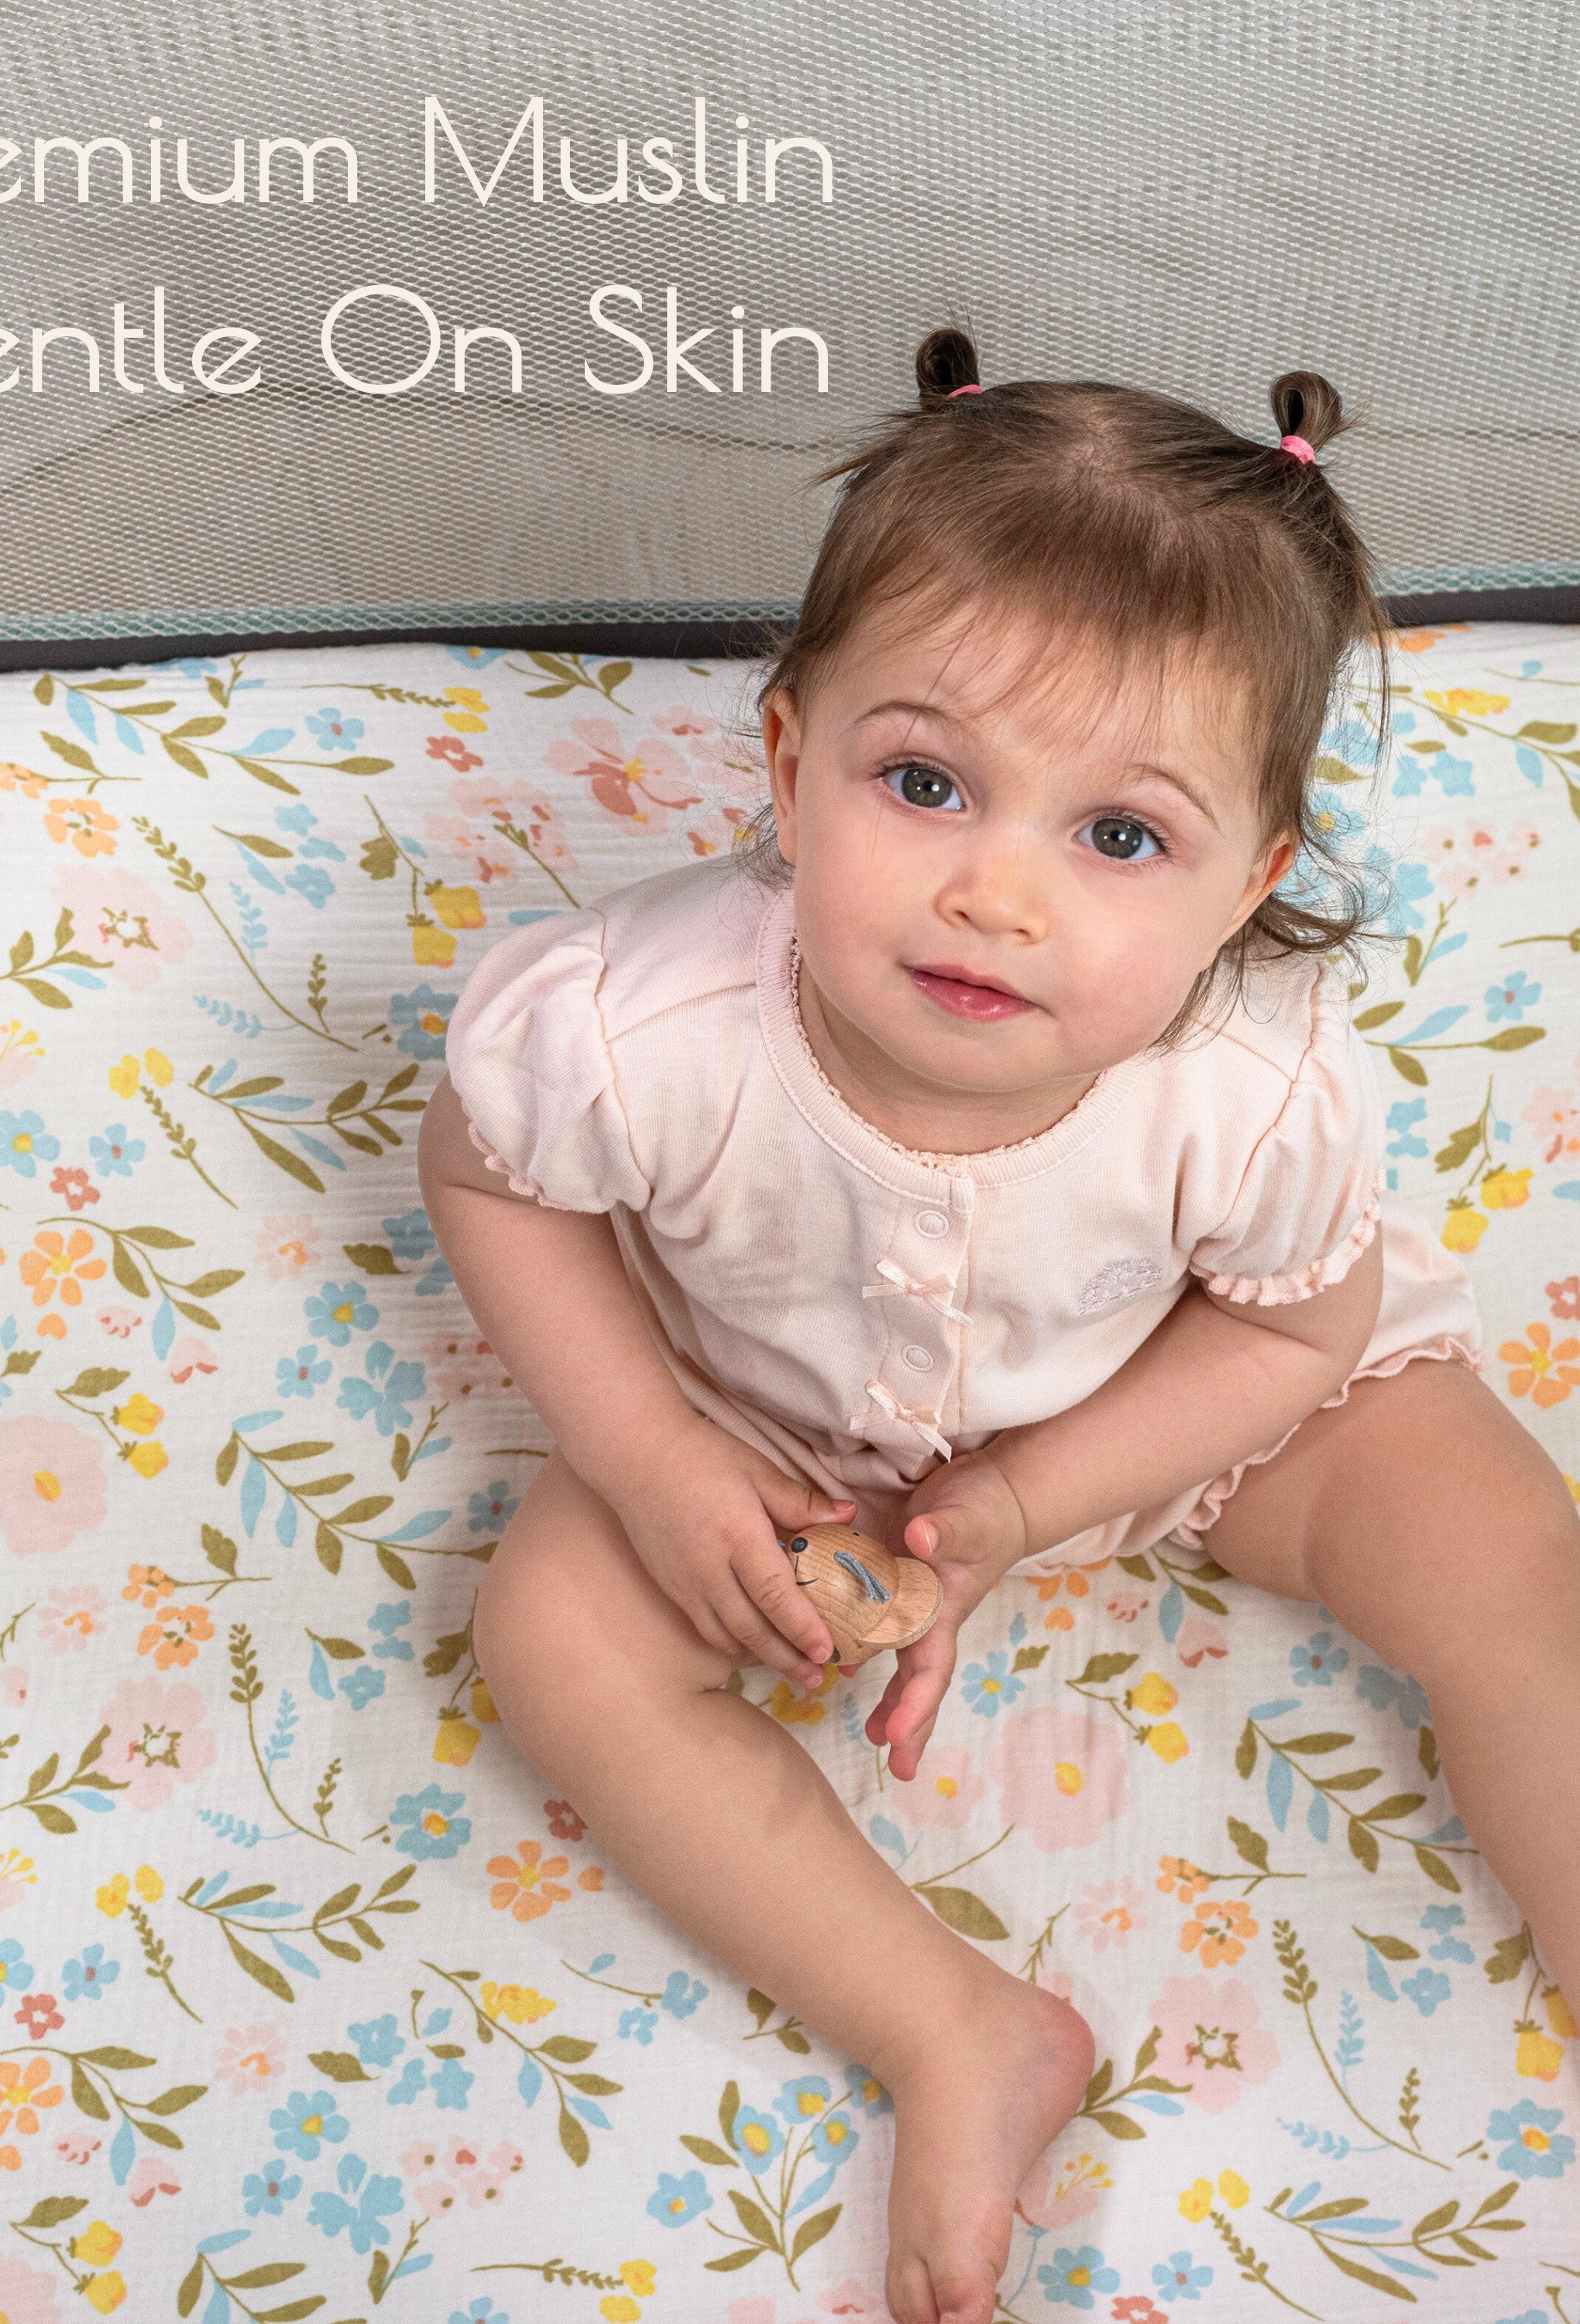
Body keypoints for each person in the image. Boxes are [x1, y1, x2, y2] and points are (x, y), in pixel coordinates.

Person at [417, 330, 1580, 2324]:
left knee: (1509, 1560)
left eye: (1119, 837)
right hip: (782, 1437)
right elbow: (490, 1180)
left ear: (1250, 883)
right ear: (787, 759)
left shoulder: (1251, 1089)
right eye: (926, 783)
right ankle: (956, 2027)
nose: (995, 896)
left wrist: (1032, 1504)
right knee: (553, 1638)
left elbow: (1295, 1338)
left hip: (1184, 1401)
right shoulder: (629, 1026)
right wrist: (655, 1454)